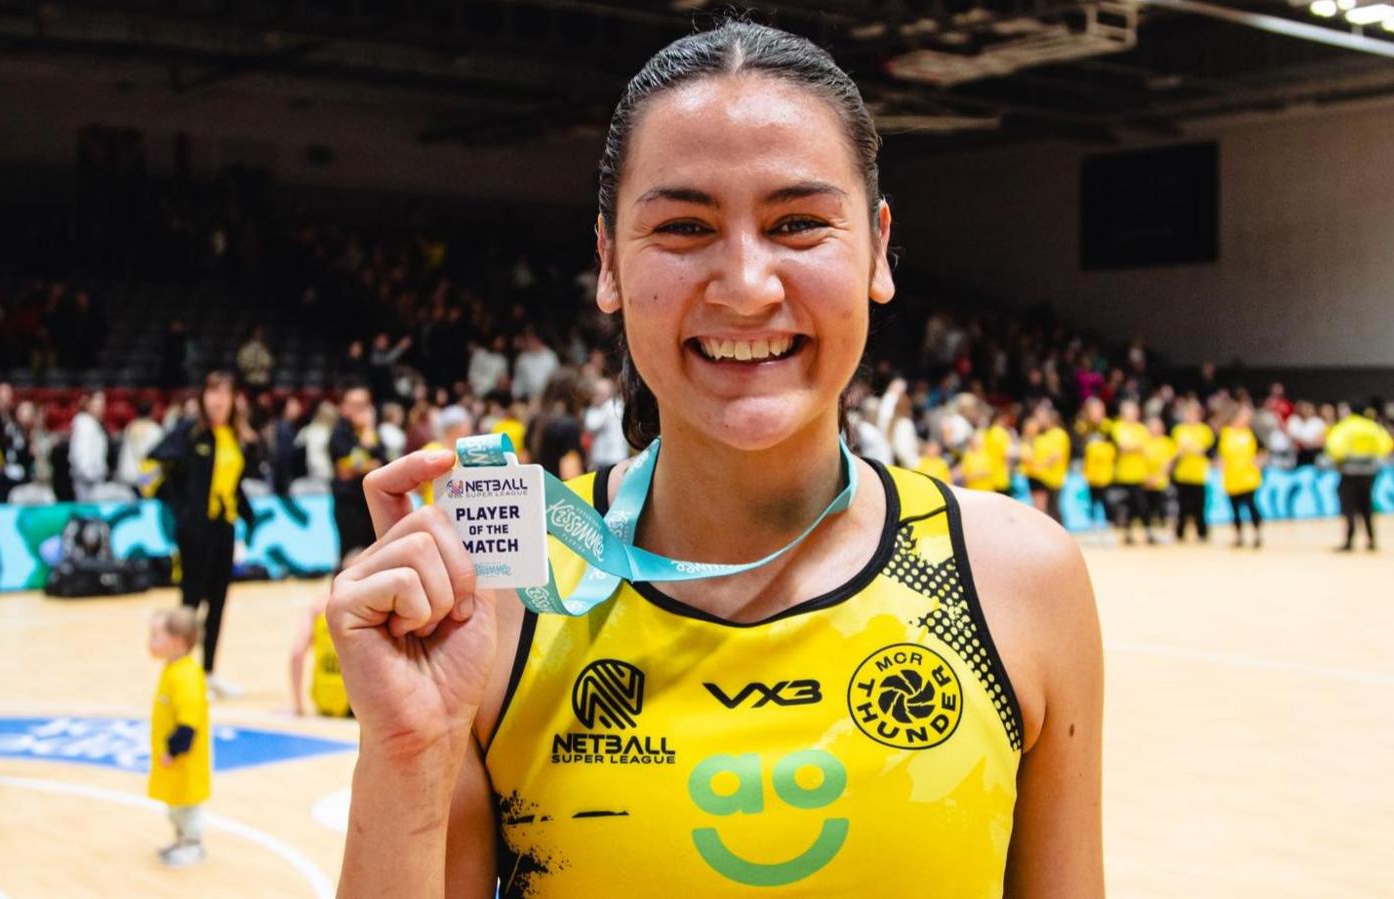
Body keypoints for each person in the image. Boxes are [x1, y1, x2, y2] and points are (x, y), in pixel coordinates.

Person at [326, 22, 1102, 897]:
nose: (745, 284)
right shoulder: (506, 594)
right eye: (686, 226)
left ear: (879, 249)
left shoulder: (1017, 579)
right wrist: (405, 754)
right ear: (608, 263)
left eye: (799, 223)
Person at [145, 372, 258, 700]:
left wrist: (247, 517)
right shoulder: (188, 433)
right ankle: (184, 673)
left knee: (219, 602)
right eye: (212, 392)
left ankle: (208, 673)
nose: (218, 399)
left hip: (224, 528)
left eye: (224, 392)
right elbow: (151, 467)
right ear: (203, 398)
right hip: (194, 531)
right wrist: (180, 509)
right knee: (190, 603)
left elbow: (235, 482)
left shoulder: (233, 437)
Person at [146, 607, 211, 868]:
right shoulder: (172, 670)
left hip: (184, 760)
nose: (150, 642)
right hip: (173, 762)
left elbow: (188, 724)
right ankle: (180, 840)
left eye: (155, 635)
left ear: (177, 641)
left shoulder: (186, 676)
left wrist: (173, 751)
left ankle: (193, 845)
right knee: (175, 807)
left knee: (188, 807)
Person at [288, 551, 358, 718]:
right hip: (356, 703)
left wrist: (298, 707)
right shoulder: (371, 608)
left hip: (324, 700)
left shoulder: (318, 607)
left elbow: (296, 654)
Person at [1326, 403, 1394, 552]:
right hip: (1369, 472)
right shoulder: (1372, 427)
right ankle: (1371, 540)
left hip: (1349, 472)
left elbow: (1334, 448)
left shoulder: (1345, 427)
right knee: (1367, 506)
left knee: (1349, 507)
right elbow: (1387, 445)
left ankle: (1349, 541)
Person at [330, 383, 386, 556]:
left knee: (376, 555)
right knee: (351, 555)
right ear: (344, 407)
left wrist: (368, 438)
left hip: (372, 503)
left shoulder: (375, 434)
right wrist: (368, 459)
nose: (361, 410)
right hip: (348, 504)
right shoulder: (339, 433)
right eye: (355, 405)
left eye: (364, 405)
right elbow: (345, 470)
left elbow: (384, 464)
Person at [1220, 404, 1265, 548]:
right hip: (1232, 477)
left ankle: (1257, 535)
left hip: (1248, 477)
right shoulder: (1226, 433)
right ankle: (1238, 536)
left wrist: (1259, 462)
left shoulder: (1251, 433)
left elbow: (1263, 450)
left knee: (1251, 506)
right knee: (1234, 509)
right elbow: (1219, 454)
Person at [1112, 400, 1155, 545]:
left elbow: (1145, 449)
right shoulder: (1117, 427)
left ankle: (1146, 532)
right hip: (1124, 475)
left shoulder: (1141, 428)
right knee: (1129, 505)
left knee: (1142, 505)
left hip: (1140, 474)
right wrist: (1135, 446)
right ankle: (1129, 533)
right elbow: (1123, 446)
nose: (1132, 414)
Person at [1029, 402, 1071, 526]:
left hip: (1055, 478)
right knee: (1047, 509)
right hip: (1044, 477)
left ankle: (1062, 535)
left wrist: (1041, 465)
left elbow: (1056, 455)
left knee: (1054, 509)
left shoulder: (1059, 434)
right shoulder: (1043, 435)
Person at [68, 391, 109, 501]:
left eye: (103, 405)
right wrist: (89, 475)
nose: (101, 408)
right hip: (87, 481)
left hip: (95, 479)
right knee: (87, 514)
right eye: (98, 404)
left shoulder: (94, 424)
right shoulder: (83, 423)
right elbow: (80, 453)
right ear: (88, 404)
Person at [1143, 415, 1175, 529]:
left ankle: (1165, 529)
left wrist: (1158, 477)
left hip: (1161, 482)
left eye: (1157, 426)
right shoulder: (1143, 443)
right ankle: (1149, 531)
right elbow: (1140, 462)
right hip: (1145, 482)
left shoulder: (1167, 443)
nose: (1154, 428)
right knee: (1147, 509)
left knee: (1164, 508)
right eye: (1152, 426)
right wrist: (1146, 478)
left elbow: (1168, 463)